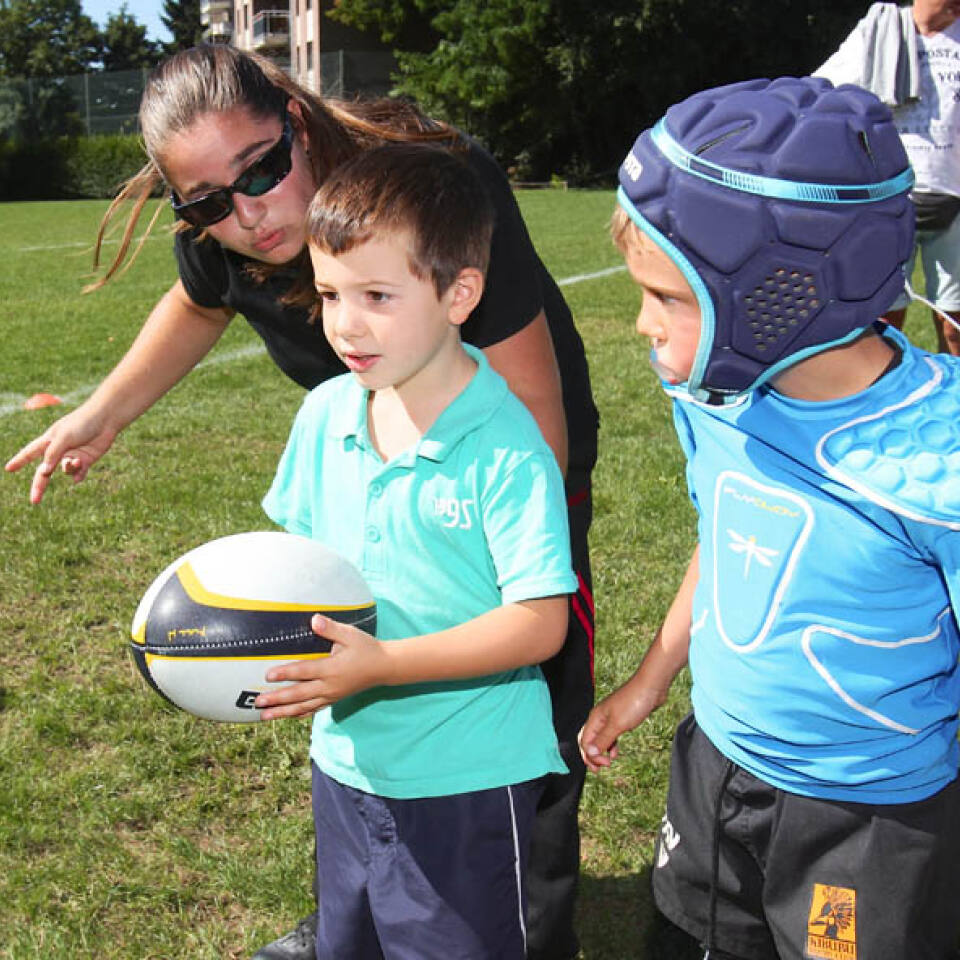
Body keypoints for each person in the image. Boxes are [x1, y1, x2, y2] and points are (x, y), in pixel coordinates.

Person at [3, 45, 597, 960]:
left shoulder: (433, 189)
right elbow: (200, 299)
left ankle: (514, 910)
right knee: (370, 692)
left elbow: (533, 426)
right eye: (208, 204)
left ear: (296, 124)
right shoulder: (233, 241)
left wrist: (492, 540)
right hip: (367, 459)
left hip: (493, 470)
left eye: (261, 172)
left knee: (512, 721)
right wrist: (101, 414)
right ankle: (372, 903)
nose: (246, 214)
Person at [579, 76, 960, 960]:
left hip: (867, 816)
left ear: (779, 293)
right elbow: (725, 539)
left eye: (668, 298)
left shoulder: (934, 461)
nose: (641, 325)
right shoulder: (717, 398)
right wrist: (653, 678)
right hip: (717, 766)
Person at [254, 141, 574, 959]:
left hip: (466, 775)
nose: (345, 324)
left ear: (459, 294)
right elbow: (300, 570)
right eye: (330, 293)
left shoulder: (506, 447)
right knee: (350, 943)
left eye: (377, 296)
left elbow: (540, 623)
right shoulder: (326, 414)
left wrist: (384, 665)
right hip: (347, 762)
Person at [815, 0, 960, 354]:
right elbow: (822, 91)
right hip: (889, 200)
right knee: (883, 317)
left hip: (954, 197)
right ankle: (889, 385)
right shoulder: (879, 30)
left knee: (954, 323)